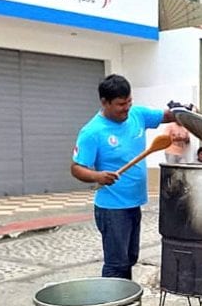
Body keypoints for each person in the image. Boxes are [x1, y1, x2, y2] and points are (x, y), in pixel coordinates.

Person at [71, 74, 176, 282]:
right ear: (104, 102)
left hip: (133, 203)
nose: (126, 108)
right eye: (120, 104)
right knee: (116, 263)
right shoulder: (92, 132)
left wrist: (188, 114)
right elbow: (76, 168)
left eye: (129, 101)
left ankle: (127, 305)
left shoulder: (137, 114)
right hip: (111, 208)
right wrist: (98, 176)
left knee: (129, 258)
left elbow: (167, 115)